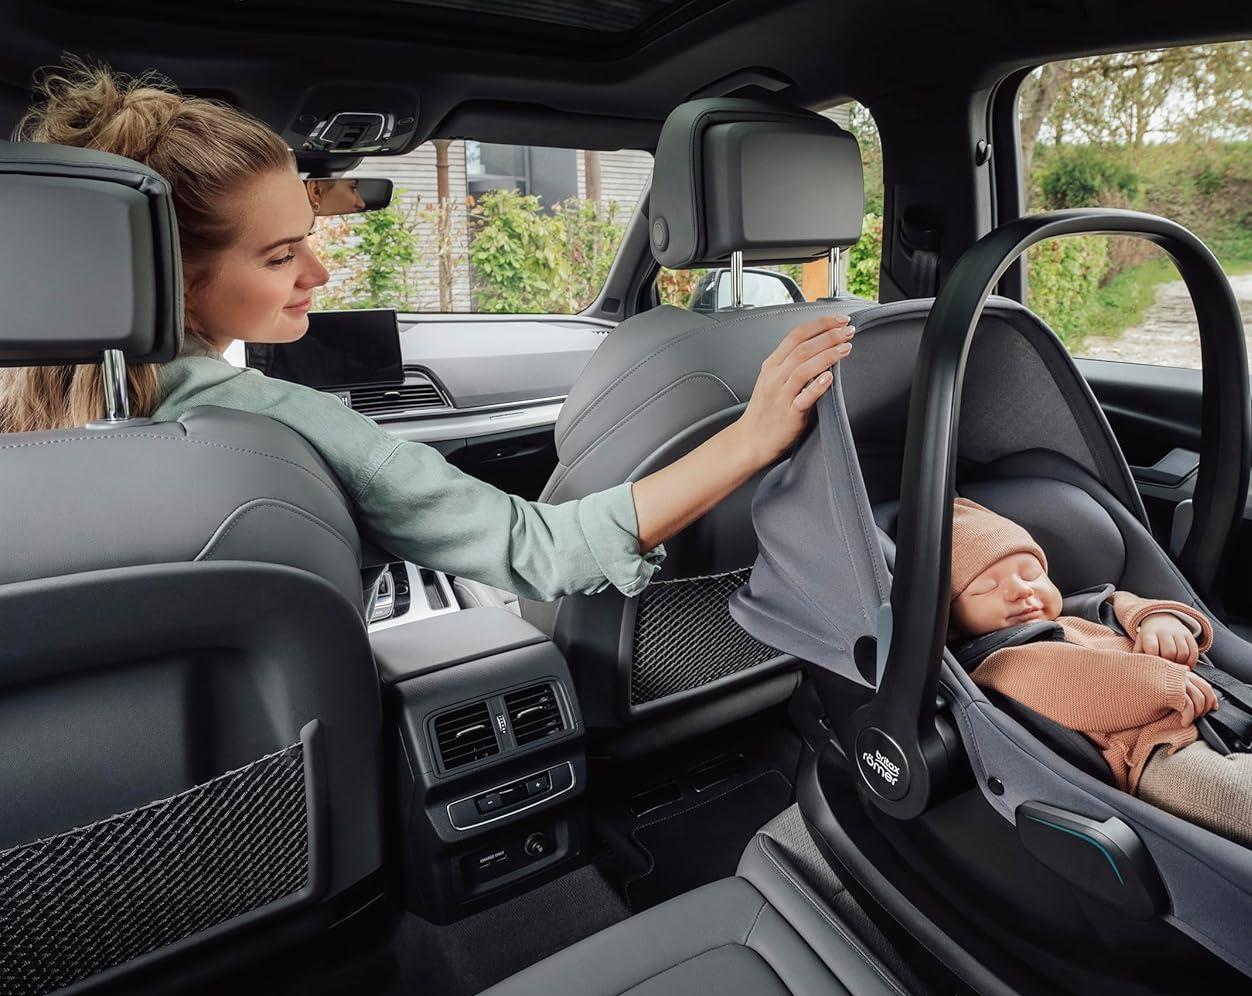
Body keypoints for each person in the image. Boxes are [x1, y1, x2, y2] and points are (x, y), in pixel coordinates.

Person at [0, 61, 856, 603]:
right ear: (178, 284)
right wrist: (752, 437)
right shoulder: (280, 423)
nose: (319, 274)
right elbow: (544, 550)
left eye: (310, 238)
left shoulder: (32, 425)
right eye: (281, 255)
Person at [948, 497, 1252, 870]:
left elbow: (1133, 604)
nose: (1021, 590)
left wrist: (1159, 620)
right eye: (987, 587)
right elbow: (1077, 687)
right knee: (1232, 794)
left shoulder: (1086, 609)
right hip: (1154, 754)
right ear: (951, 618)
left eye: (1031, 572)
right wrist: (1162, 683)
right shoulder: (1002, 661)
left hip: (1230, 702)